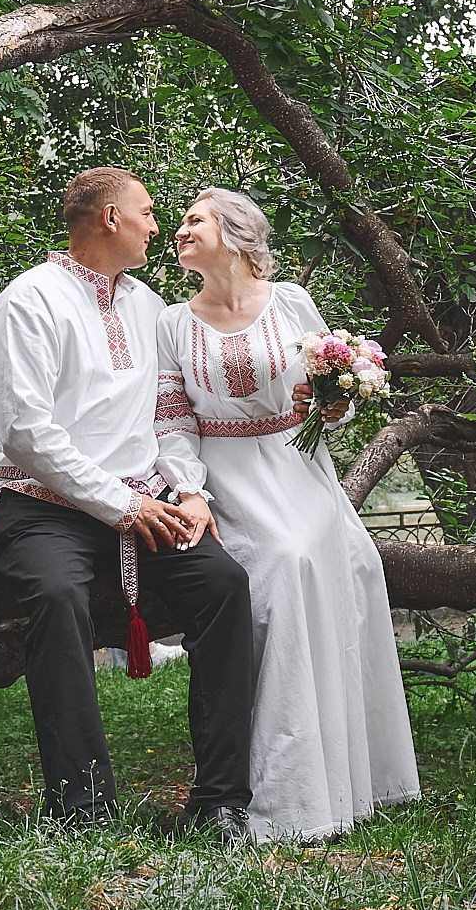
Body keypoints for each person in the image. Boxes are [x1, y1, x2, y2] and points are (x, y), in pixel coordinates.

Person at [0, 166, 260, 835]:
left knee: (224, 583)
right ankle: (85, 808)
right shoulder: (27, 301)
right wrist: (119, 505)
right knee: (53, 594)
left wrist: (188, 490)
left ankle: (220, 803)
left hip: (145, 502)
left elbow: (168, 414)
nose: (157, 226)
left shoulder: (149, 306)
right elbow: (26, 431)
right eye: (148, 212)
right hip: (41, 504)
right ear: (110, 218)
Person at [154, 188, 420, 842]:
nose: (180, 229)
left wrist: (337, 407)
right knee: (281, 560)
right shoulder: (170, 323)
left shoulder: (293, 301)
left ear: (238, 235)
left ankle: (334, 779)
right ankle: (277, 791)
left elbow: (332, 388)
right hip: (225, 478)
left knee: (341, 558)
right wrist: (189, 489)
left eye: (195, 219)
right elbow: (172, 420)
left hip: (298, 468)